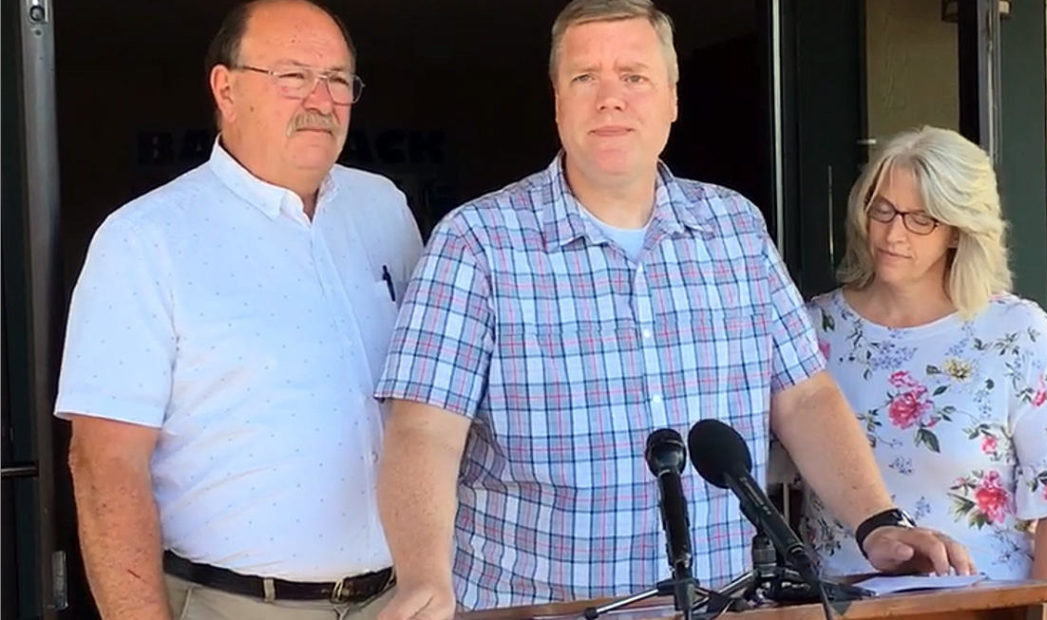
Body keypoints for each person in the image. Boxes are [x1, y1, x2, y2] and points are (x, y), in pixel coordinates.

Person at [373, 2, 973, 618]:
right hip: (543, 607)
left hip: (718, 605)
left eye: (634, 77)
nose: (611, 99)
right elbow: (424, 430)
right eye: (586, 78)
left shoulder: (735, 226)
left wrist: (878, 522)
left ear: (672, 100)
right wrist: (424, 576)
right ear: (558, 102)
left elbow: (803, 397)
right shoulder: (476, 241)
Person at [57, 1, 422, 618]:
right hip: (234, 603)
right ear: (225, 88)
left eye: (338, 79)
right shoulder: (145, 239)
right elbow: (104, 466)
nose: (320, 98)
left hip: (398, 598)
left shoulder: (383, 208)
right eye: (292, 76)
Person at [796, 126, 1047, 620]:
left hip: (992, 609)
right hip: (842, 610)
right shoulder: (813, 329)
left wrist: (1043, 614)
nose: (893, 234)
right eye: (882, 209)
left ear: (958, 229)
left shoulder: (1016, 333)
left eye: (922, 219)